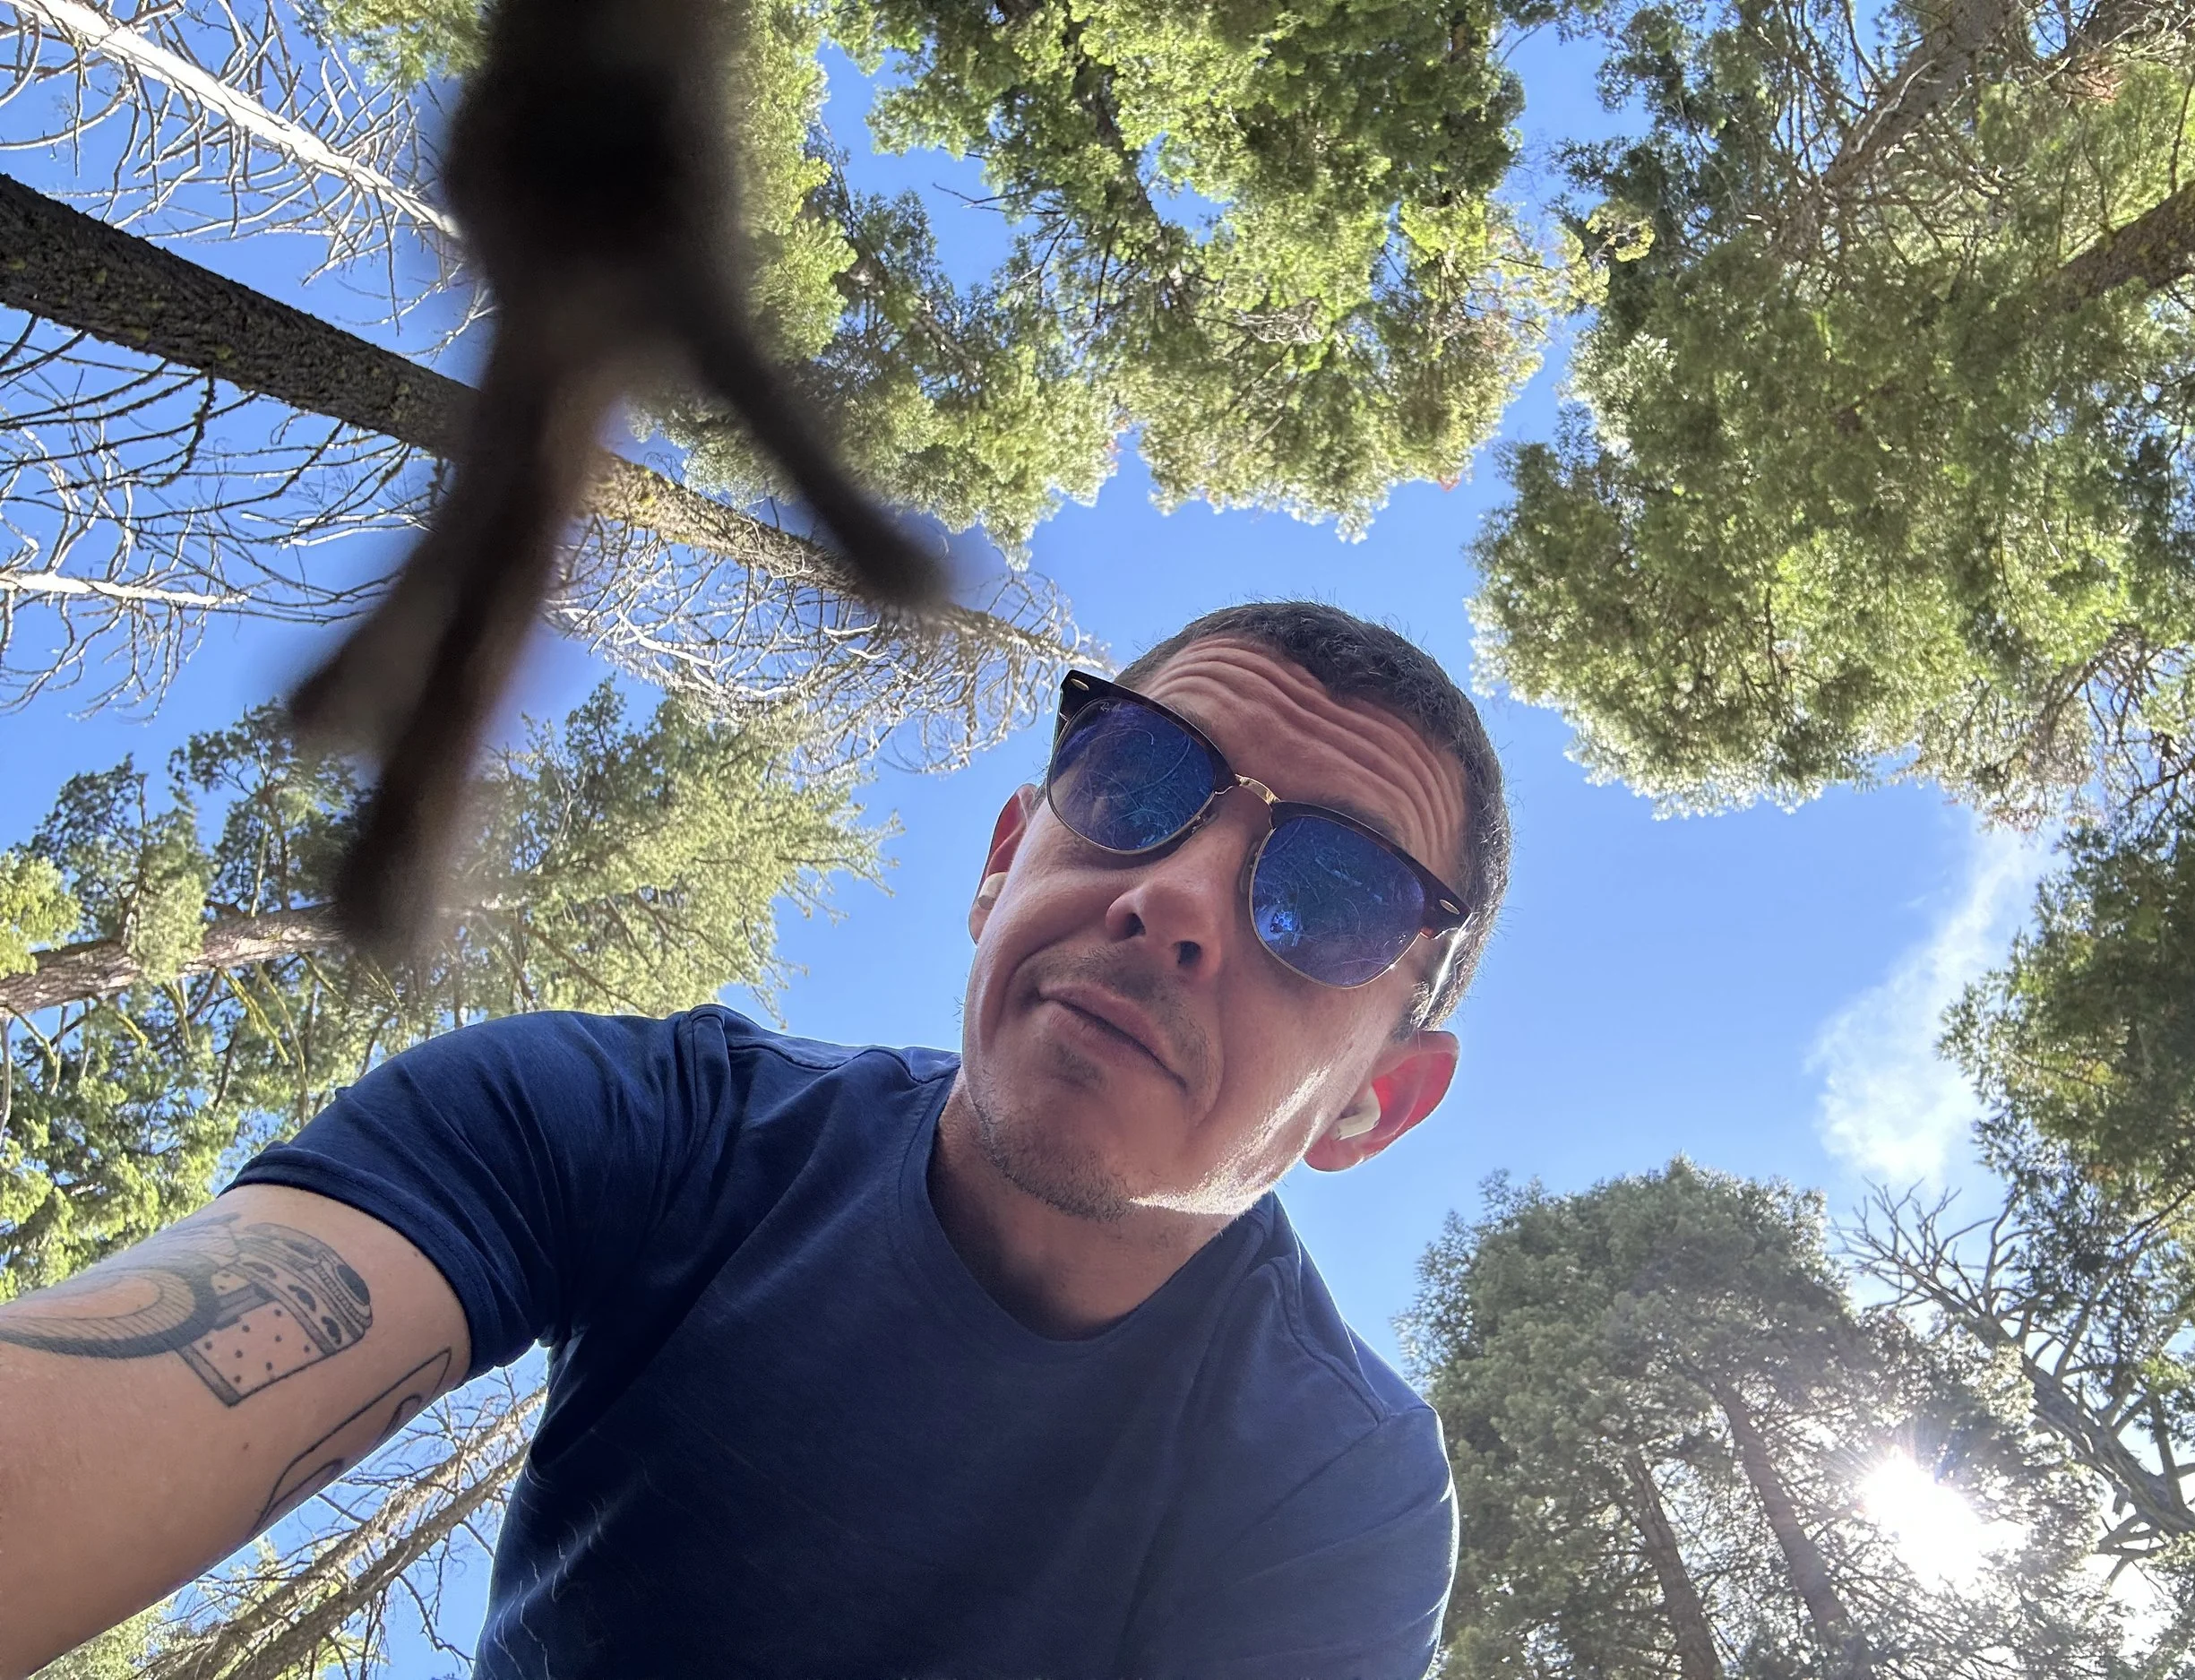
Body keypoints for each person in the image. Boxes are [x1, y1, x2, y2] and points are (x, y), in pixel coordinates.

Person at [0, 600, 1510, 1679]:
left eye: (1329, 896)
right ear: (1004, 861)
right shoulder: (647, 1126)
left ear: (1376, 1100)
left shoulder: (1333, 1483)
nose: (1173, 898)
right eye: (1137, 781)